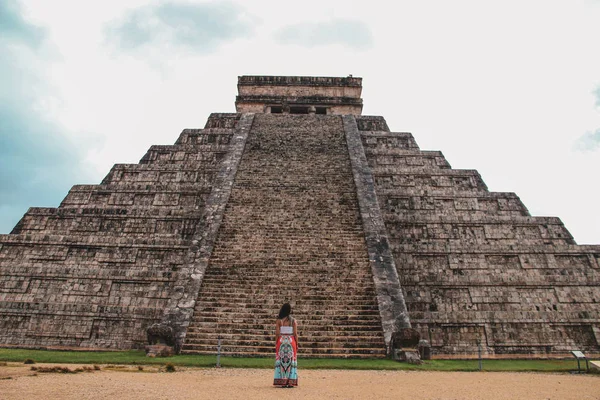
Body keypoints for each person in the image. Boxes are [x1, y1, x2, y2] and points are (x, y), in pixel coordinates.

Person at [273, 303, 298, 387]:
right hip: (291, 341)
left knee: (281, 361)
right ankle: (290, 381)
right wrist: (297, 344)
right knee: (291, 361)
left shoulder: (279, 320)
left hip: (282, 341)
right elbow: (295, 333)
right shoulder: (293, 320)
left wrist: (276, 342)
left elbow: (277, 333)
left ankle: (281, 380)